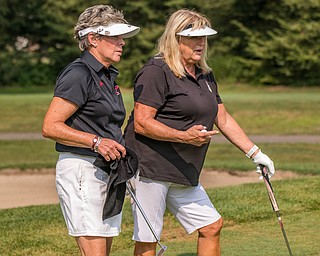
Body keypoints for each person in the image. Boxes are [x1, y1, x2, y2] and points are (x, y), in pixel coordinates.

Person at [124, 9, 275, 256]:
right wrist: (184, 136)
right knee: (148, 238)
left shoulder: (204, 74)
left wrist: (255, 153)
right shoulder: (156, 70)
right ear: (176, 38)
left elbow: (222, 117)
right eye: (194, 37)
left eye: (204, 38)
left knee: (211, 225)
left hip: (184, 168)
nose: (201, 43)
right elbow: (142, 122)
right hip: (150, 168)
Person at [42, 4, 139, 256]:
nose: (122, 43)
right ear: (93, 39)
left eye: (121, 37)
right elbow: (50, 126)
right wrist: (97, 141)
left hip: (104, 171)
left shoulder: (106, 75)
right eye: (115, 36)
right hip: (82, 171)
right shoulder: (78, 74)